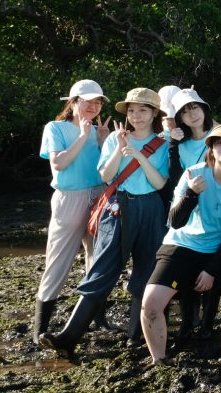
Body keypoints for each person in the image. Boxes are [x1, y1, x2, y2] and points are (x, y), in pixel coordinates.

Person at [41, 88, 169, 359]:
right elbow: (106, 175)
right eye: (132, 110)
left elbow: (159, 183)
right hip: (117, 206)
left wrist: (138, 155)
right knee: (102, 267)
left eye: (143, 110)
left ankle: (137, 336)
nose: (136, 115)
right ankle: (68, 336)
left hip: (150, 208)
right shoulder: (114, 138)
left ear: (155, 113)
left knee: (147, 269)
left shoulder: (162, 143)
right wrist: (121, 150)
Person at [140, 124, 221, 365]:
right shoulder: (194, 173)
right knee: (151, 303)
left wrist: (211, 270)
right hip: (182, 245)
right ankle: (159, 359)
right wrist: (191, 195)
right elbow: (174, 221)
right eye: (220, 142)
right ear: (212, 149)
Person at [32, 80, 110, 344]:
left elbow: (106, 168)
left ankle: (97, 318)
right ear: (74, 102)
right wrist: (83, 137)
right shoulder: (56, 128)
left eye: (97, 102)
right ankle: (40, 329)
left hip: (99, 195)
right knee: (59, 259)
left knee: (97, 257)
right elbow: (59, 162)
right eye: (86, 101)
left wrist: (102, 140)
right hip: (70, 197)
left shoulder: (100, 131)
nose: (92, 106)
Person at [165, 88, 218, 342]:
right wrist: (173, 144)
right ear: (180, 118)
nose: (192, 114)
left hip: (217, 208)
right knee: (188, 267)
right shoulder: (181, 144)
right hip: (189, 210)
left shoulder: (220, 136)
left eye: (195, 108)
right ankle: (188, 323)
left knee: (212, 265)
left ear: (204, 109)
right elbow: (175, 179)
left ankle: (207, 323)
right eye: (185, 112)